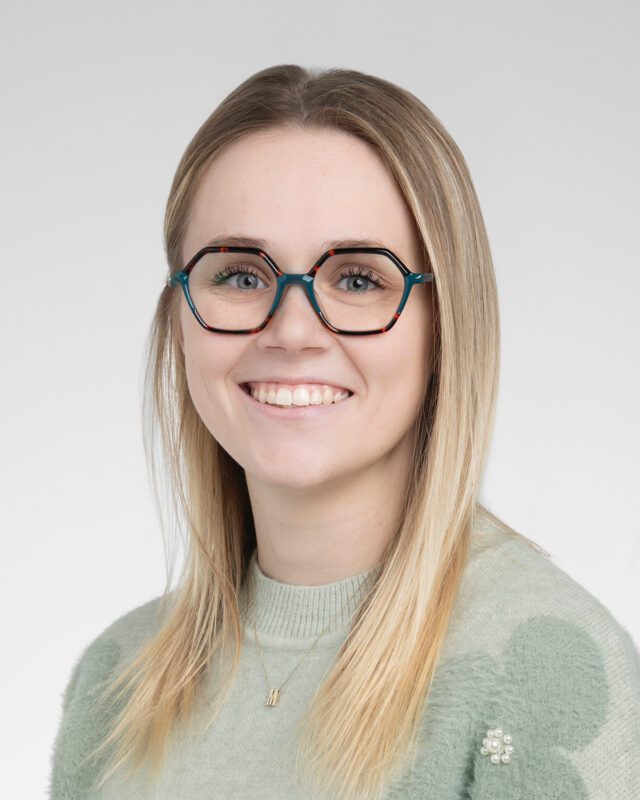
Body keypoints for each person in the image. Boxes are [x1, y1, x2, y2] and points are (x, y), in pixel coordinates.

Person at [48, 64, 640, 800]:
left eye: (359, 279)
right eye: (239, 274)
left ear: (447, 326)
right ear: (179, 315)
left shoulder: (545, 670)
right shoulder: (116, 683)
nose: (291, 330)